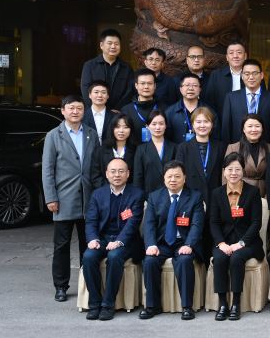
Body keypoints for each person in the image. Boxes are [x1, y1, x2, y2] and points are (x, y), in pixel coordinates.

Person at [42, 95, 101, 302]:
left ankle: (88, 285)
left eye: (79, 108)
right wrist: (51, 197)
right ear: (63, 111)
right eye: (71, 108)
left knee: (88, 244)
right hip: (63, 199)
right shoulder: (53, 135)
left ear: (84, 111)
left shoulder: (91, 134)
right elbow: (47, 170)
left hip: (88, 198)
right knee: (61, 246)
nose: (75, 112)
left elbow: (96, 167)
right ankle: (61, 286)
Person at [140, 161, 205, 320]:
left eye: (177, 176)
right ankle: (152, 306)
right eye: (169, 176)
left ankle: (187, 307)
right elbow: (149, 224)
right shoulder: (154, 197)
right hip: (162, 243)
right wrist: (151, 244)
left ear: (184, 178)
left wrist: (189, 244)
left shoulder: (195, 197)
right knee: (149, 261)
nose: (173, 180)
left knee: (184, 260)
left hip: (184, 242)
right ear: (164, 178)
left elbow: (197, 225)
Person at [81, 158, 144, 321]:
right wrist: (93, 239)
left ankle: (108, 305)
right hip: (102, 239)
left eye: (121, 171)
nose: (117, 175)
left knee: (115, 256)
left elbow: (132, 223)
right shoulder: (98, 194)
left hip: (126, 241)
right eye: (113, 171)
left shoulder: (136, 194)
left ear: (128, 174)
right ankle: (94, 304)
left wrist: (119, 241)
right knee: (88, 257)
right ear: (107, 174)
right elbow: (91, 221)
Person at [209, 153, 264, 321]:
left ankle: (236, 303)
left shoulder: (253, 192)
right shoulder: (217, 193)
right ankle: (222, 303)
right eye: (230, 169)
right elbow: (214, 222)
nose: (234, 173)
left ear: (243, 171)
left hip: (248, 242)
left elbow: (256, 223)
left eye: (238, 169)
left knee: (236, 258)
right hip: (224, 241)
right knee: (219, 258)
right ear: (224, 171)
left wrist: (241, 243)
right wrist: (221, 243)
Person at [221, 59, 270, 145]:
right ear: (242, 76)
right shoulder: (231, 98)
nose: (251, 77)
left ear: (262, 75)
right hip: (238, 147)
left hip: (264, 147)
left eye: (255, 73)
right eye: (247, 74)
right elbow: (226, 128)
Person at [175, 107, 224, 206]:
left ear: (212, 124)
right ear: (193, 124)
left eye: (206, 121)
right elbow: (179, 174)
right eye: (198, 122)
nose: (202, 125)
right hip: (190, 199)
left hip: (215, 198)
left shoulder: (221, 147)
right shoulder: (183, 148)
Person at [80, 29, 134, 110]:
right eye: (109, 43)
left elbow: (129, 91)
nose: (113, 46)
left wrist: (119, 109)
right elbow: (85, 89)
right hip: (95, 111)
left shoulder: (126, 67)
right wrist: (97, 108)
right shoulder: (90, 65)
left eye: (116, 44)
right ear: (101, 45)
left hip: (118, 112)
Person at [225, 114, 270, 199]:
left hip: (264, 195)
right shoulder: (233, 148)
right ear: (244, 129)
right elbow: (226, 175)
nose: (253, 130)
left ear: (262, 129)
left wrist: (268, 198)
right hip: (240, 195)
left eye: (257, 126)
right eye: (250, 126)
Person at [133, 111, 175, 196]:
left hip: (171, 194)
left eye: (161, 124)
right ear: (147, 126)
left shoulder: (174, 147)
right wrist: (140, 198)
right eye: (154, 124)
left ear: (166, 125)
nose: (157, 127)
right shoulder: (141, 149)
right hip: (149, 196)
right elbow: (138, 177)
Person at [166, 73, 216, 144]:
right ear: (180, 89)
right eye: (187, 85)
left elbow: (215, 136)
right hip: (177, 150)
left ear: (200, 89)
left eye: (195, 85)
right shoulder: (170, 112)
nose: (191, 88)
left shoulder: (210, 111)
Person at [90, 113, 136, 189]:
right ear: (112, 129)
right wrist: (111, 190)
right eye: (117, 127)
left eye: (125, 127)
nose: (121, 131)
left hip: (130, 193)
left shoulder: (136, 150)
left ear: (131, 130)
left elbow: (137, 176)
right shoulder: (100, 150)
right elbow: (95, 176)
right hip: (105, 192)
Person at [204, 42, 250, 111]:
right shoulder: (216, 75)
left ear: (245, 56)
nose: (235, 56)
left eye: (239, 52)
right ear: (227, 57)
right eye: (231, 53)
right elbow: (209, 101)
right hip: (221, 116)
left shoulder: (254, 75)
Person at [120, 69, 161, 138]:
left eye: (150, 83)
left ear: (155, 86)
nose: (146, 87)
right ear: (136, 85)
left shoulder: (165, 109)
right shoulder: (126, 110)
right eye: (142, 83)